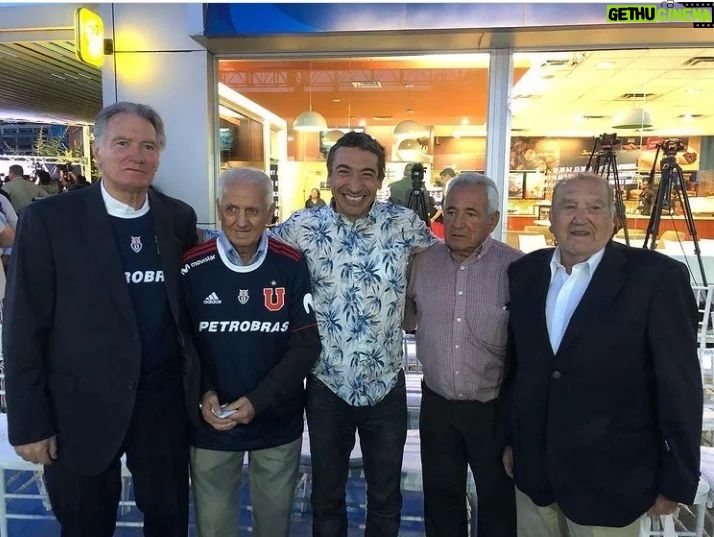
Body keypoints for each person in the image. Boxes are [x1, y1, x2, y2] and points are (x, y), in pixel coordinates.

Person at [2, 101, 199, 537]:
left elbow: (186, 315)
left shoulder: (177, 218)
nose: (136, 155)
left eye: (148, 145)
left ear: (159, 154)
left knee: (168, 521)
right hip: (78, 408)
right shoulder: (50, 220)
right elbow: (23, 328)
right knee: (85, 524)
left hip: (161, 405)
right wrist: (29, 422)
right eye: (123, 143)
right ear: (99, 149)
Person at [502, 172, 702, 537]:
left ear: (614, 218)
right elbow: (519, 368)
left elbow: (680, 386)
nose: (580, 217)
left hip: (611, 481)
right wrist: (512, 440)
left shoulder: (656, 279)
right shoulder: (525, 273)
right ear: (551, 217)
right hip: (535, 476)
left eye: (594, 207)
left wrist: (677, 478)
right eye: (568, 206)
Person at [272, 131, 437, 536]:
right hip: (327, 385)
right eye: (344, 171)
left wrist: (414, 306)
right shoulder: (301, 228)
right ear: (329, 175)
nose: (355, 184)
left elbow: (441, 264)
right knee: (326, 497)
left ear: (381, 179)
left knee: (386, 497)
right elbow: (261, 266)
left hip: (387, 386)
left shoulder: (404, 225)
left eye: (367, 174)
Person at [181, 167, 321, 537]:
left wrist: (259, 400)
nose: (241, 221)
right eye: (231, 209)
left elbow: (306, 345)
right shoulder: (192, 266)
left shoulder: (290, 263)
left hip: (276, 421)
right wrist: (203, 394)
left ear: (271, 211)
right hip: (212, 421)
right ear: (218, 207)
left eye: (253, 211)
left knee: (274, 525)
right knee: (213, 527)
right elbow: (184, 345)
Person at [405, 172, 520, 537]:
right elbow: (406, 317)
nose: (457, 223)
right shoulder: (422, 263)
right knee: (440, 500)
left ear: (493, 220)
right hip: (437, 405)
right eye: (451, 212)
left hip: (493, 409)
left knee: (498, 503)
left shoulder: (517, 269)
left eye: (471, 213)